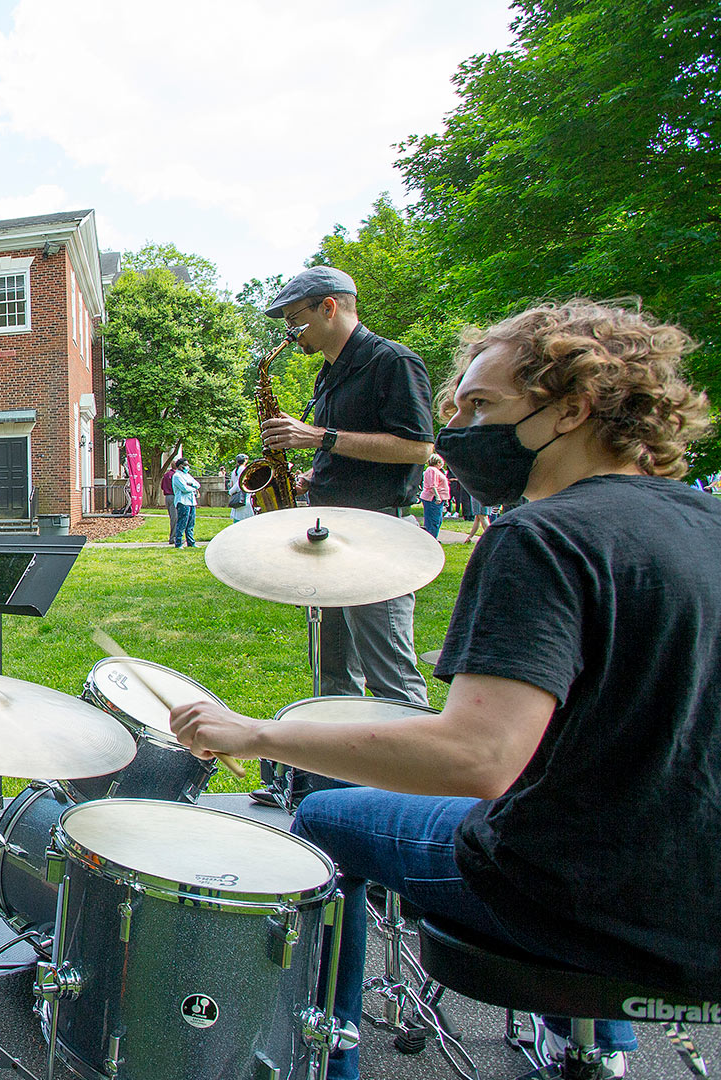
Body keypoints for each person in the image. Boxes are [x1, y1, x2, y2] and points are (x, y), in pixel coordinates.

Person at [171, 300, 720, 1080]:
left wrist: (255, 733)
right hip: (699, 893)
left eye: (483, 406)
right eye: (456, 406)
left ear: (573, 407)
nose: (460, 429)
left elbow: (475, 759)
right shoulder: (707, 523)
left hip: (590, 899)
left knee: (325, 814)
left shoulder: (545, 537)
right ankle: (591, 1045)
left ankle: (326, 1059)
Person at [260, 267, 435, 803]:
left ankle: (417, 792)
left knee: (390, 673)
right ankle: (343, 790)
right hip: (330, 528)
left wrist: (320, 436)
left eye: (297, 320)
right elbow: (343, 450)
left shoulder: (393, 362)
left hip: (377, 533)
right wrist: (313, 470)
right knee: (330, 667)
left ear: (330, 307)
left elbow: (417, 448)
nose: (293, 334)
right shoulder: (328, 373)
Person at [169, 460, 201, 547]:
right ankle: (178, 542)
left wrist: (191, 485)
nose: (187, 467)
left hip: (191, 501)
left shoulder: (187, 475)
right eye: (185, 465)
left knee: (191, 523)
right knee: (182, 523)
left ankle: (191, 542)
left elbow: (197, 484)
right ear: (180, 466)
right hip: (182, 501)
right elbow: (184, 489)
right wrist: (193, 488)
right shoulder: (177, 476)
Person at [419, 454, 451, 537]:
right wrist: (437, 497)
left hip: (438, 498)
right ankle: (431, 537)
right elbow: (432, 485)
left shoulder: (436, 470)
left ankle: (433, 537)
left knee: (437, 520)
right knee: (433, 520)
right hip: (432, 499)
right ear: (438, 462)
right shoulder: (431, 470)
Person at [227, 452, 255, 522]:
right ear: (245, 460)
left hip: (237, 496)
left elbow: (232, 483)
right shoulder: (244, 469)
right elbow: (239, 483)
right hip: (243, 497)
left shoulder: (234, 471)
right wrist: (231, 491)